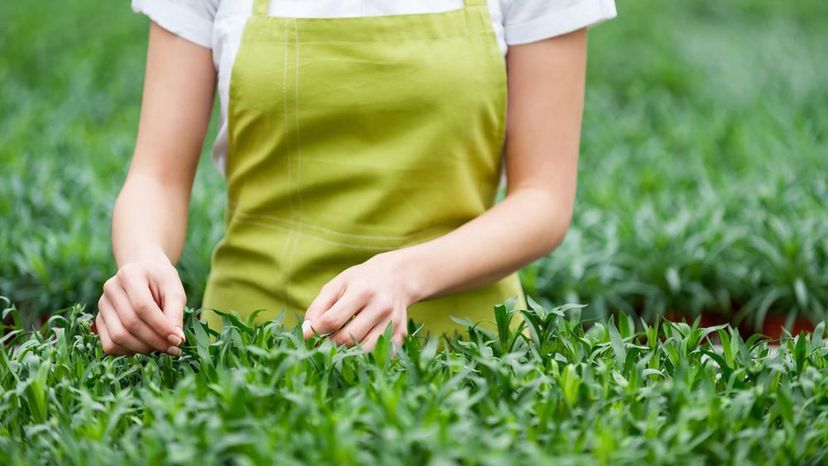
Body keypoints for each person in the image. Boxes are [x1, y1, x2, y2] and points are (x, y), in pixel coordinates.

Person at [92, 0, 617, 357]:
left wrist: (405, 275)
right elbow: (156, 178)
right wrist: (142, 261)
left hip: (469, 359)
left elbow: (543, 198)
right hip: (250, 354)